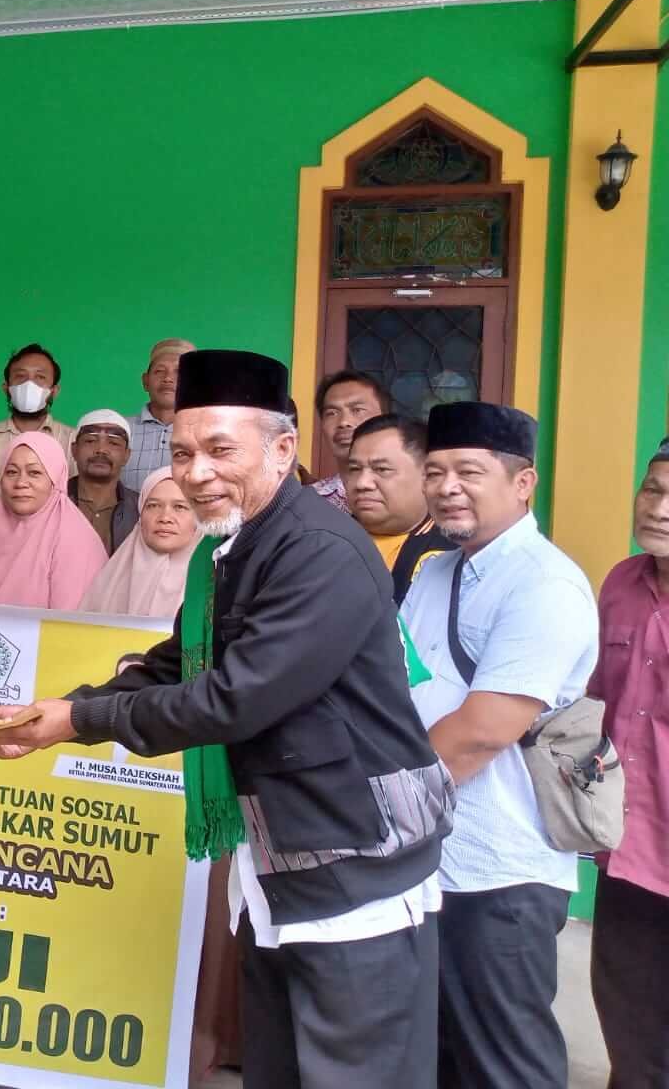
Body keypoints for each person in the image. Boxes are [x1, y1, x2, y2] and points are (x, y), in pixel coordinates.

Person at [0, 350, 451, 1089]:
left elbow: (234, 697)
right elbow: (179, 662)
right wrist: (66, 705)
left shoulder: (317, 550)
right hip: (281, 856)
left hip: (352, 863)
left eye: (221, 450)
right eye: (182, 452)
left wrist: (80, 723)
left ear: (283, 449)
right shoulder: (236, 545)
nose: (197, 473)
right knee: (279, 1067)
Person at [399, 400, 597, 1089]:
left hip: (498, 871)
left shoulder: (545, 584)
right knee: (436, 1057)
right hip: (427, 861)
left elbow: (483, 732)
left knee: (504, 1064)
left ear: (522, 483)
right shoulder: (434, 573)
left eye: (469, 472)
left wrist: (375, 810)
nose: (447, 487)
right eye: (435, 472)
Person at [589, 437, 669, 1086]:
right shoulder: (620, 583)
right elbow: (600, 700)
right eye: (653, 490)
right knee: (626, 1010)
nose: (660, 509)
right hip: (626, 841)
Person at [0, 344, 76, 535]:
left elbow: (78, 502)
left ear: (54, 390)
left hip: (57, 546)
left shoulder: (73, 442)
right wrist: (0, 545)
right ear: (6, 388)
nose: (30, 384)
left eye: (40, 377)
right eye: (20, 376)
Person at [0, 433, 107, 610]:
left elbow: (70, 622)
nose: (21, 483)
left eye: (34, 473)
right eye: (11, 472)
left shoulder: (75, 540)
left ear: (55, 480)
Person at [342, 414, 455, 606]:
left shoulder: (454, 549)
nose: (362, 483)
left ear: (427, 476)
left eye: (382, 469)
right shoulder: (321, 539)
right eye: (354, 469)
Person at [79, 468, 200, 619]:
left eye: (180, 507)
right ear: (141, 514)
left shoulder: (213, 579)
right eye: (153, 505)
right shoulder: (113, 578)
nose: (165, 518)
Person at [122, 337, 197, 492]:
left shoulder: (206, 432)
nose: (168, 379)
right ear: (145, 381)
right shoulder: (122, 430)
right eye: (159, 371)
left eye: (179, 372)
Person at [309, 369, 388, 513]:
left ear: (385, 419)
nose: (344, 422)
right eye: (332, 413)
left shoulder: (418, 493)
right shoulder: (308, 503)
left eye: (357, 410)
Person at [68, 409, 138, 555]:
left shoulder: (141, 510)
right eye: (90, 441)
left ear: (127, 455)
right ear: (74, 450)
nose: (101, 450)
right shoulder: (51, 502)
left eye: (113, 443)